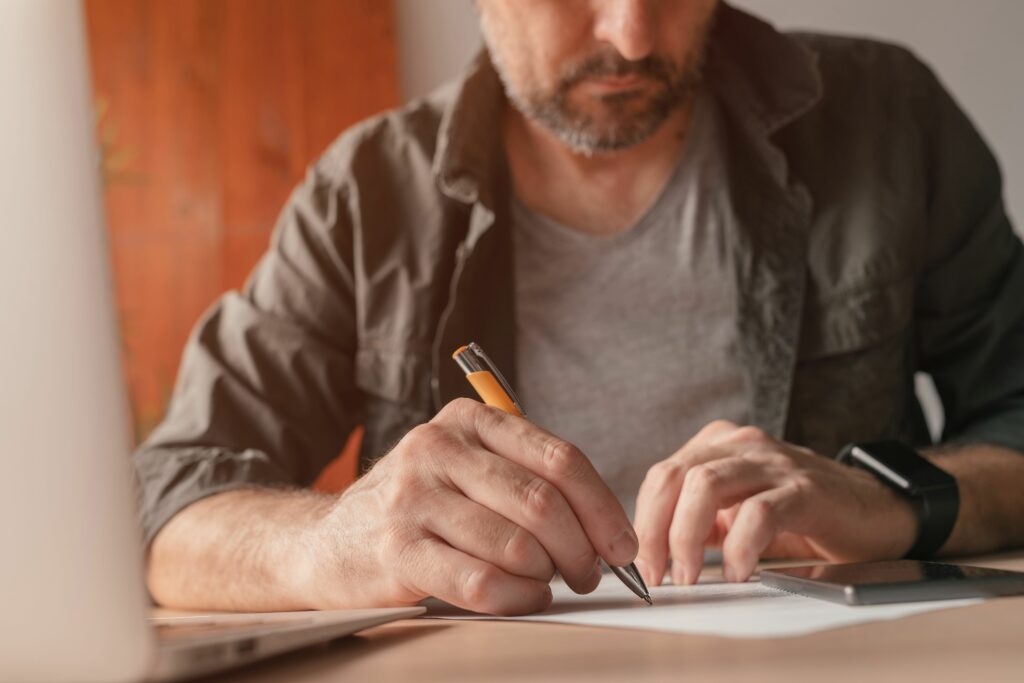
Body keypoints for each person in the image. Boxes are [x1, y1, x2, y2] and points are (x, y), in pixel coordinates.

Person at [137, 0, 1024, 616]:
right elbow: (161, 499)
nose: (632, 38)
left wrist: (892, 499)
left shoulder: (887, 120)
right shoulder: (368, 196)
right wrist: (332, 539)